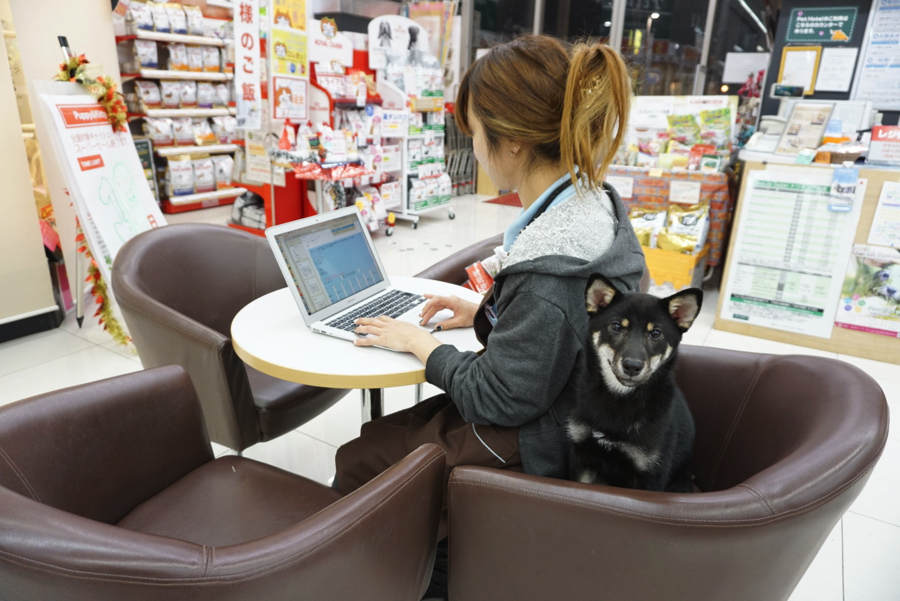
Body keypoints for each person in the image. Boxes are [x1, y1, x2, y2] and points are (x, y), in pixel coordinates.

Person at [334, 35, 646, 598]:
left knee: (358, 459)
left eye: (474, 133)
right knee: (381, 436)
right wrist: (485, 309)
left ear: (515, 142)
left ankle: (411, 576)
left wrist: (420, 343)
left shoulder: (553, 270)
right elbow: (559, 329)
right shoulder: (591, 207)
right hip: (572, 409)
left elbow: (496, 397)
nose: (474, 149)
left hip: (540, 443)